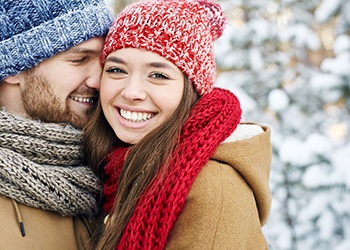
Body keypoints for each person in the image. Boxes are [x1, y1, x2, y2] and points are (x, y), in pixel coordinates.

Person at [84, 0, 272, 249]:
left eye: (158, 75)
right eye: (117, 70)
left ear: (192, 90)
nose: (132, 92)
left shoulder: (213, 190)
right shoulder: (113, 168)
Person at [0, 0, 113, 249]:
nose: (99, 80)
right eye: (80, 59)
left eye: (104, 61)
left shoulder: (119, 170)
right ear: (14, 69)